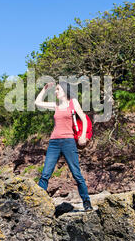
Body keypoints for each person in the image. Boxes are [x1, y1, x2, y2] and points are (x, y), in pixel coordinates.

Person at [34, 81, 93, 211]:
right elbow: (37, 103)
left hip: (69, 141)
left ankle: (87, 202)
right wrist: (44, 90)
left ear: (65, 91)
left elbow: (83, 118)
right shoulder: (55, 105)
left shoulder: (73, 102)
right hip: (54, 142)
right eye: (55, 90)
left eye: (58, 89)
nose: (55, 92)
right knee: (45, 174)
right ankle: (37, 203)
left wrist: (83, 135)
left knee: (76, 174)